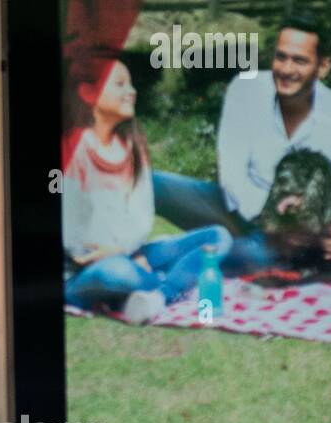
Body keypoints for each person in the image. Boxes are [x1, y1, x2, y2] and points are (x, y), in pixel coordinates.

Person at [153, 18, 331, 275]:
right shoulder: (245, 90)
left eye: (299, 60)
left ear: (323, 66)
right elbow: (233, 175)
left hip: (293, 234)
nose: (286, 69)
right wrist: (274, 213)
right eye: (281, 57)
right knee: (149, 182)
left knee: (253, 255)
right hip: (234, 206)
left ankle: (170, 257)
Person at [62, 53, 232, 322]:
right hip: (88, 268)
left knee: (218, 237)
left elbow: (142, 216)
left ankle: (157, 295)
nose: (132, 91)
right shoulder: (72, 149)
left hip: (133, 254)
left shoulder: (133, 146)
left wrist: (132, 251)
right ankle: (170, 284)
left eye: (130, 84)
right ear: (88, 92)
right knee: (117, 274)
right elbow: (70, 231)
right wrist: (117, 254)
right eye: (119, 84)